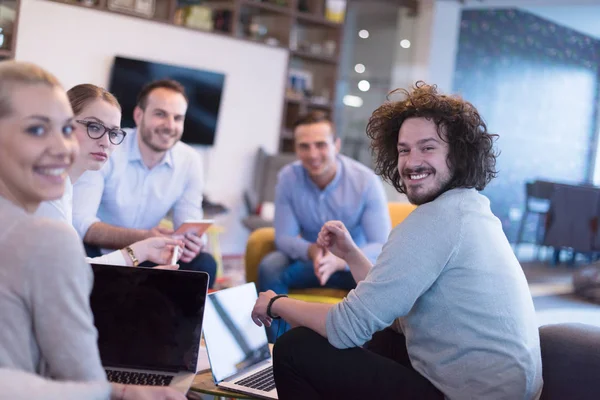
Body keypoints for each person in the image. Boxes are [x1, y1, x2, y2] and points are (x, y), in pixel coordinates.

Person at [251, 82, 543, 399]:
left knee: (295, 347)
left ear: (458, 154)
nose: (411, 162)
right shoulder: (469, 209)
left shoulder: (434, 221)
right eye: (404, 150)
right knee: (384, 336)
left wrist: (276, 303)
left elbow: (345, 327)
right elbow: (389, 306)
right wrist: (350, 254)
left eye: (428, 147)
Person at [0, 60, 185, 400]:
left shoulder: (60, 192)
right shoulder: (42, 224)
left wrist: (138, 253)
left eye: (113, 132)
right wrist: (130, 393)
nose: (62, 146)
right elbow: (81, 376)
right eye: (38, 130)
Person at [258, 111, 390, 341]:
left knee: (383, 278)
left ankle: (369, 349)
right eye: (304, 146)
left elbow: (381, 244)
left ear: (336, 145)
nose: (313, 154)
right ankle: (278, 348)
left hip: (353, 267)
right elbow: (285, 237)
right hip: (312, 262)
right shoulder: (288, 178)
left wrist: (341, 260)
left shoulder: (365, 181)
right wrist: (311, 251)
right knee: (270, 266)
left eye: (320, 145)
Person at [72, 79, 217, 285]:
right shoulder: (107, 146)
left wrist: (194, 242)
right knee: (76, 251)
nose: (170, 125)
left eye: (178, 118)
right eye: (160, 114)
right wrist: (142, 238)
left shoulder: (190, 160)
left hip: (150, 254)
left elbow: (189, 223)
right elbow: (80, 223)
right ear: (139, 115)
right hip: (97, 252)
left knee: (205, 264)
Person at [36, 83, 182, 268]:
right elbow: (70, 275)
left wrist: (142, 250)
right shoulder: (45, 191)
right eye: (95, 127)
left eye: (113, 133)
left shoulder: (62, 185)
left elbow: (73, 267)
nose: (106, 142)